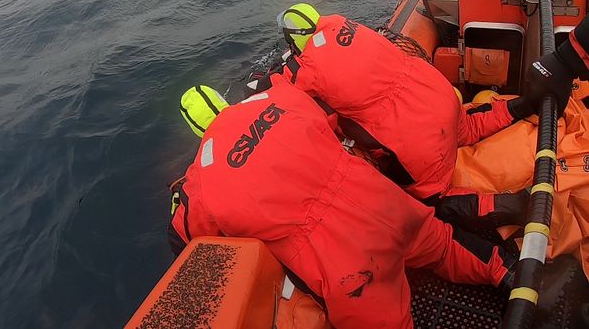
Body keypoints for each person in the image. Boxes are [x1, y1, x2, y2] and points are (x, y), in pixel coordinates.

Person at [169, 77, 515, 328]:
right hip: (385, 202)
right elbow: (323, 110)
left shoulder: (201, 183)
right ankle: (509, 273)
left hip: (347, 262)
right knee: (442, 245)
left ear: (196, 130)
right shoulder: (279, 100)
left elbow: (189, 236)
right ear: (224, 100)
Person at [272, 3, 589, 230]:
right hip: (439, 96)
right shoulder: (347, 26)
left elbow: (289, 101)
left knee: (429, 200)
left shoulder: (303, 70)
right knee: (466, 126)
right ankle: (522, 106)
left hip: (419, 146)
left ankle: (515, 205)